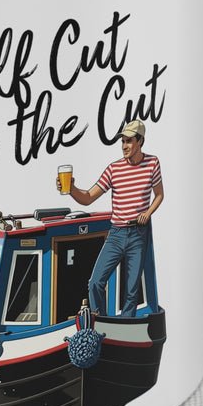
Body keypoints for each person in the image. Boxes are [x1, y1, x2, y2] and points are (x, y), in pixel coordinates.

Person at [57, 120, 163, 316]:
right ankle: (103, 323)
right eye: (122, 141)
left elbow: (159, 195)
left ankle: (126, 332)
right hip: (116, 233)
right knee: (95, 282)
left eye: (129, 141)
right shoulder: (114, 170)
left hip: (139, 233)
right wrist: (71, 189)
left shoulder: (152, 163)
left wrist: (147, 214)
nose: (124, 146)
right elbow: (88, 198)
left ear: (140, 141)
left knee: (131, 292)